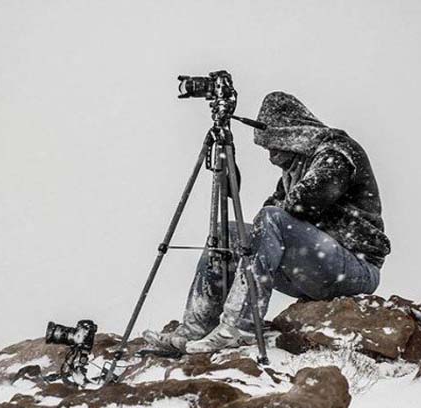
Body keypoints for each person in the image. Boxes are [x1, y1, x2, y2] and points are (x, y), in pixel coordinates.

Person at [143, 92, 391, 354]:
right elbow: (270, 219)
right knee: (227, 232)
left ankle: (240, 326)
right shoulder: (294, 169)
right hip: (314, 269)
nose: (269, 154)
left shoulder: (337, 151)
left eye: (271, 144)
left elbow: (305, 202)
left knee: (271, 219)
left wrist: (272, 220)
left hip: (356, 268)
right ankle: (195, 329)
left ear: (289, 133)